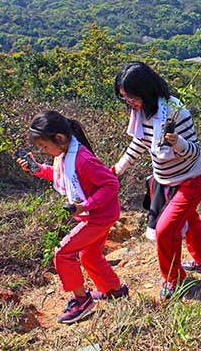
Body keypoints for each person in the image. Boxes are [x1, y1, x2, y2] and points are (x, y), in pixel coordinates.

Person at [111, 62, 201, 301]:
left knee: (165, 230)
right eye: (125, 99)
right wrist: (119, 168)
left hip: (192, 178)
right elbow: (140, 142)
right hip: (165, 180)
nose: (129, 104)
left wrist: (176, 142)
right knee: (188, 216)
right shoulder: (141, 113)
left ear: (146, 91)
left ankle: (173, 278)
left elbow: (193, 151)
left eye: (131, 98)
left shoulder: (176, 112)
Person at [16, 110, 127, 324]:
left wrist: (85, 205)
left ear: (59, 138)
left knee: (63, 253)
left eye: (44, 146)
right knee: (90, 256)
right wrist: (38, 169)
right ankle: (114, 290)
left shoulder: (83, 160)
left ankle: (81, 300)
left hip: (98, 216)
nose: (44, 151)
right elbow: (61, 175)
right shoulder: (65, 155)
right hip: (97, 215)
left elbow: (111, 184)